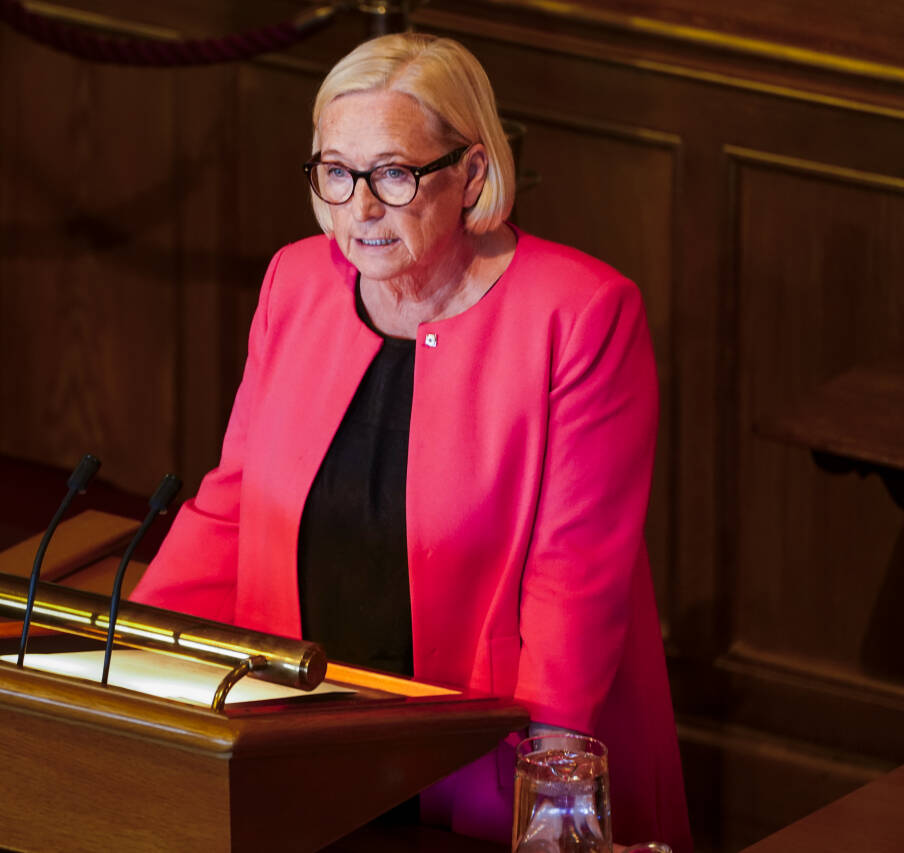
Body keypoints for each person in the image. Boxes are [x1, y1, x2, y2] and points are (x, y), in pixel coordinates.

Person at [131, 32, 692, 852]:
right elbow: (234, 504)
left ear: (470, 171)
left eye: (393, 173)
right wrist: (119, 668)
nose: (358, 208)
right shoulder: (296, 281)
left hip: (486, 762)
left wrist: (552, 788)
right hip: (299, 736)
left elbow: (575, 583)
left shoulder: (579, 315)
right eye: (336, 171)